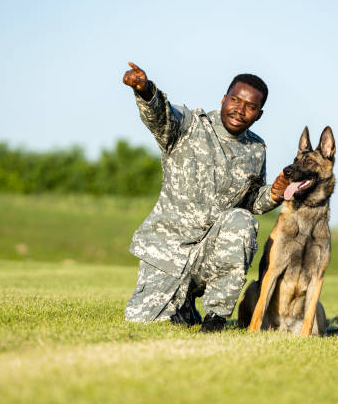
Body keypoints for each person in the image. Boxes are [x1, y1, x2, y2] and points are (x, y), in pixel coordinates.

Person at [122, 62, 288, 332]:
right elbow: (162, 116)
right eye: (235, 100)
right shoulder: (190, 126)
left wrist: (274, 193)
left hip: (209, 254)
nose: (240, 110)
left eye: (250, 106)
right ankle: (183, 305)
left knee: (241, 221)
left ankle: (215, 319)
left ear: (259, 114)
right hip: (168, 251)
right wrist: (146, 91)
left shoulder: (256, 149)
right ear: (224, 99)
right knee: (143, 322)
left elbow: (251, 203)